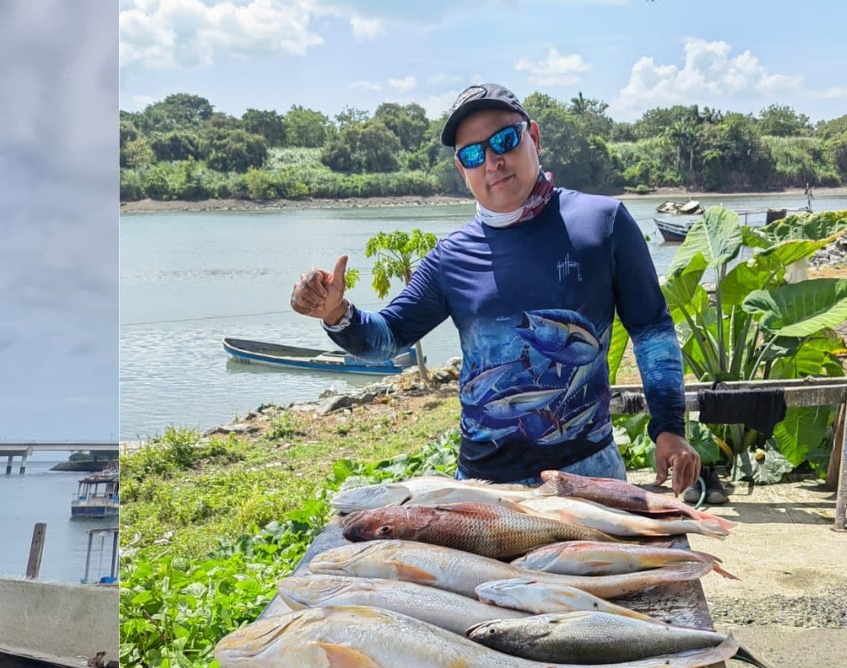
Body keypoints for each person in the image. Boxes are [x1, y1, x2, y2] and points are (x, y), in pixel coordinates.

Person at [290, 83, 701, 497]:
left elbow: (651, 329)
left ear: (534, 137)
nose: (492, 161)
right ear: (461, 170)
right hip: (485, 488)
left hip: (590, 474)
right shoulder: (450, 258)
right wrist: (336, 312)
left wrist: (668, 427)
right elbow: (387, 337)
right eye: (473, 154)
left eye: (504, 140)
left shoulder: (603, 223)